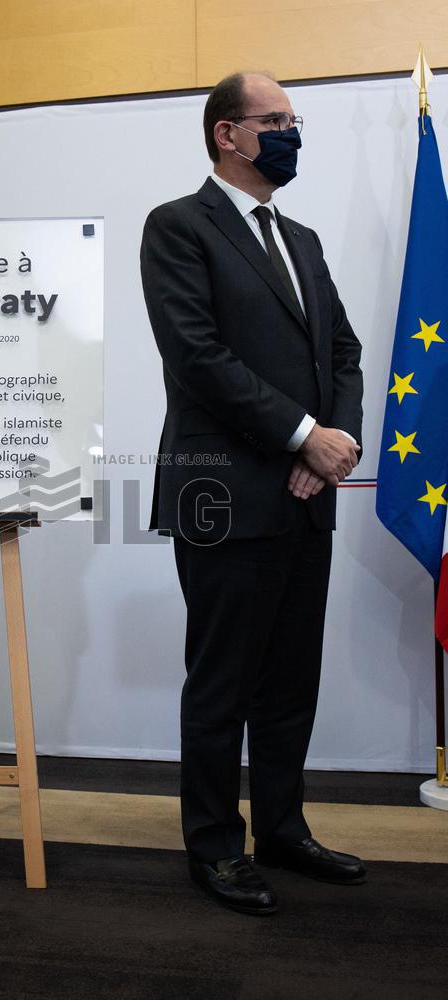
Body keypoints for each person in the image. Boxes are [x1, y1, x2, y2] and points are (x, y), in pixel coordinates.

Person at [140, 71, 365, 916]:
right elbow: (198, 357)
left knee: (289, 677)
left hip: (307, 491)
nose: (291, 133)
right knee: (223, 678)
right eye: (275, 121)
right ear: (227, 133)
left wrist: (329, 449)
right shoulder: (177, 227)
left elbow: (341, 353)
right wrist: (306, 434)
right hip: (222, 490)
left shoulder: (300, 238)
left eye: (294, 121)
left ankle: (281, 827)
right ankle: (213, 847)